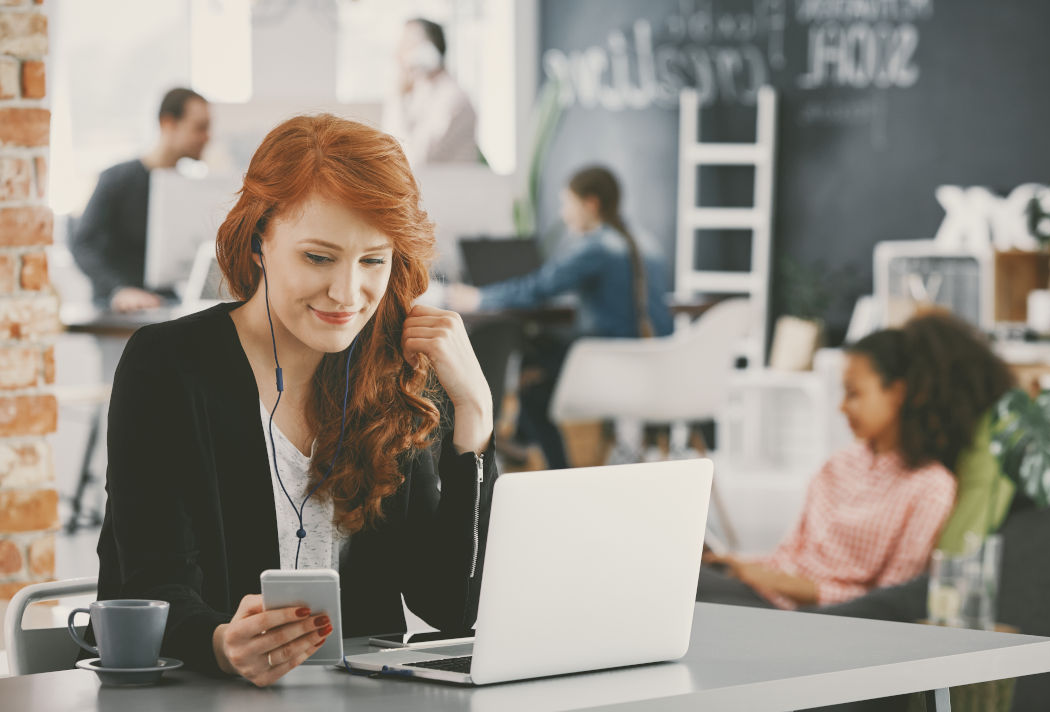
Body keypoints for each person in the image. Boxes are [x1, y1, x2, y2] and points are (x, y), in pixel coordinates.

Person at [92, 114, 497, 687]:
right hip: (201, 697)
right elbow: (151, 584)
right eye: (319, 257)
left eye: (373, 260)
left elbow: (452, 605)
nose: (346, 294)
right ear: (259, 241)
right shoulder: (169, 365)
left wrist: (474, 414)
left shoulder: (395, 371)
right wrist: (219, 642)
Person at [697, 311, 1015, 610]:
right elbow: (790, 554)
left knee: (694, 591)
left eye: (854, 393)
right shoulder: (839, 465)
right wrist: (741, 565)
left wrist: (772, 580)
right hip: (762, 593)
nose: (842, 407)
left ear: (899, 393)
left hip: (809, 614)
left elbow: (890, 601)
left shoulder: (929, 487)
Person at [448, 165, 672, 470]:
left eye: (568, 204)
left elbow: (539, 288)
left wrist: (479, 297)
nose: (565, 215)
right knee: (537, 364)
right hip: (655, 365)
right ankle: (518, 444)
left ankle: (554, 468)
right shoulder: (646, 242)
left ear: (590, 204)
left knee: (533, 388)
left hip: (609, 364)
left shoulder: (597, 247)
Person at [71, 87, 212, 312]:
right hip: (118, 309)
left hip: (164, 304)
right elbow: (83, 244)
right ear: (168, 124)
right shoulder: (116, 179)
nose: (207, 137)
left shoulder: (189, 189)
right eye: (199, 128)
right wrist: (118, 290)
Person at [381, 18, 478, 165]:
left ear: (429, 51)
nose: (399, 54)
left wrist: (398, 95)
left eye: (409, 44)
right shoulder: (420, 93)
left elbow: (415, 160)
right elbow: (387, 148)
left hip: (451, 184)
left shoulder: (452, 98)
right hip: (429, 183)